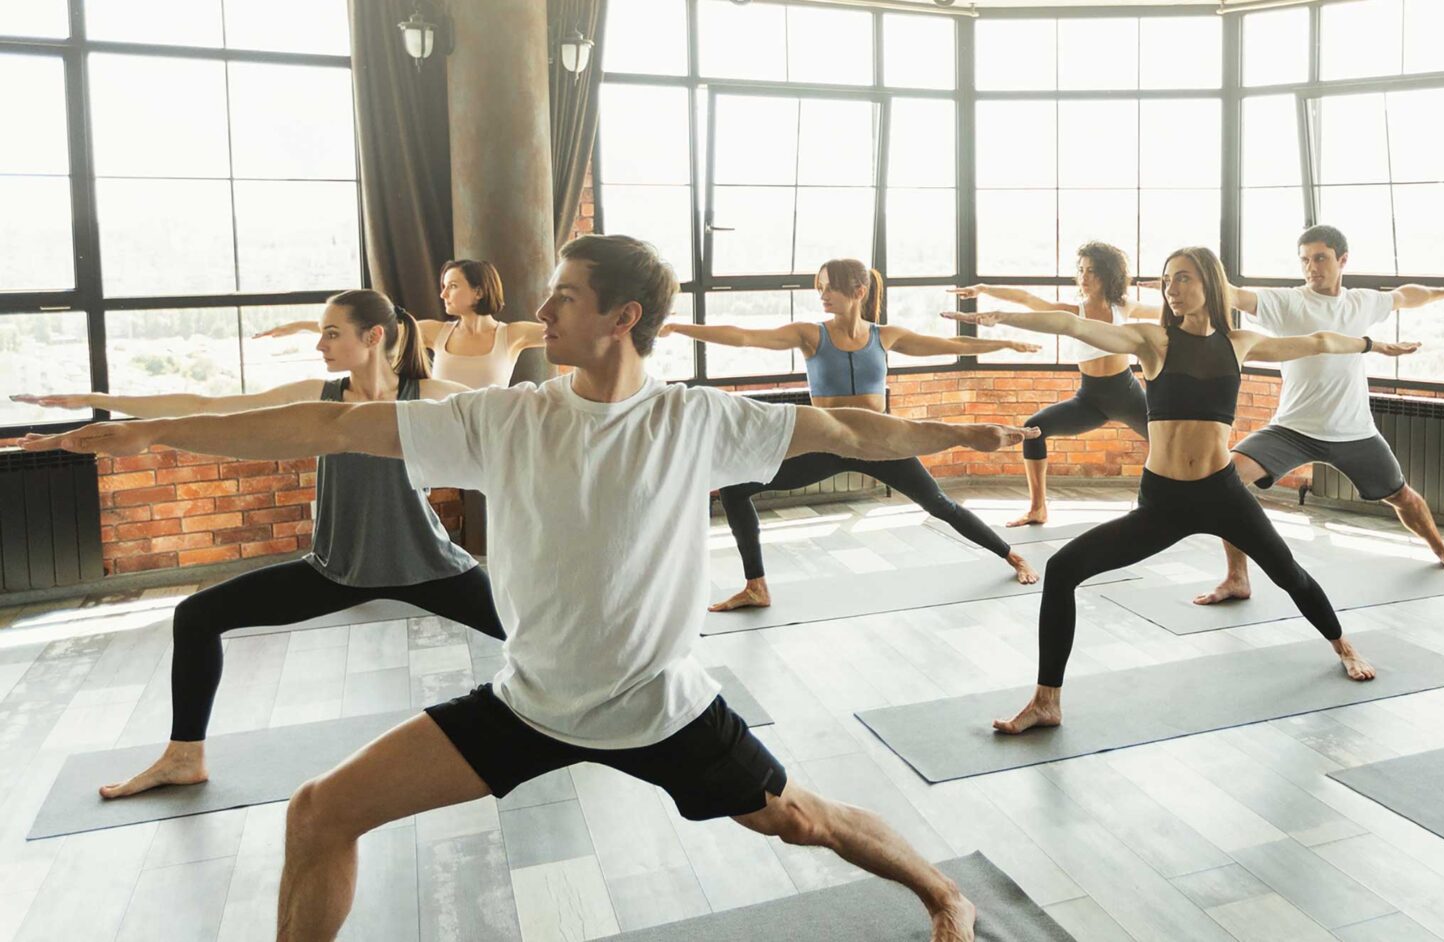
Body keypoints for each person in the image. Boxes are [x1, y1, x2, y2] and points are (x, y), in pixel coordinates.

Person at [26, 234, 1035, 941]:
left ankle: (944, 896)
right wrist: (149, 428)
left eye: (564, 295)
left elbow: (852, 430)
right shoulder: (504, 418)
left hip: (657, 712)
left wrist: (960, 432)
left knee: (802, 821)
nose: (543, 308)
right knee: (319, 814)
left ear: (621, 317)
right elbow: (323, 428)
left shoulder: (697, 420)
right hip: (530, 704)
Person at [12, 290, 499, 799]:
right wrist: (106, 407)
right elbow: (208, 407)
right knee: (197, 616)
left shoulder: (432, 394)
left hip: (431, 564)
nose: (319, 344)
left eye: (332, 332)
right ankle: (184, 756)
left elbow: (503, 430)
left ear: (373, 336)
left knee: (529, 634)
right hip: (336, 568)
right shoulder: (321, 396)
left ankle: (577, 719)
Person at [944, 246, 1379, 736]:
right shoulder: (1153, 342)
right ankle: (1046, 701)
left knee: (1290, 575)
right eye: (1168, 280)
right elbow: (1074, 327)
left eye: (1183, 279)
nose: (1172, 290)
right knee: (1064, 569)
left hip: (1222, 493)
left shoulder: (1239, 343)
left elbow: (1318, 341)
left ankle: (1343, 646)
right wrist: (1003, 317)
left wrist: (1368, 345)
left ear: (1209, 285)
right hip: (1164, 501)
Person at [658, 258, 1043, 611]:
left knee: (940, 505)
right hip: (825, 444)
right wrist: (678, 327)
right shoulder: (810, 334)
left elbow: (954, 344)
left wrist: (1005, 342)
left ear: (858, 292)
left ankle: (1011, 555)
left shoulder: (885, 336)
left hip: (882, 442)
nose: (823, 296)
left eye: (830, 288)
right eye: (820, 288)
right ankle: (756, 586)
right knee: (735, 488)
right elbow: (744, 336)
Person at [1178, 225, 1444, 603]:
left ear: (1342, 260)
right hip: (1291, 429)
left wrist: (1442, 293)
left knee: (1402, 496)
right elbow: (1234, 296)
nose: (1311, 267)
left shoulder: (1361, 302)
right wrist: (1201, 269)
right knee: (1225, 484)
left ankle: (1442, 550)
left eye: (1319, 258)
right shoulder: (1288, 302)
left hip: (1354, 431)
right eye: (1304, 260)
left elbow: (1403, 296)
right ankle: (1237, 578)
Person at [948, 242, 1159, 527]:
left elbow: (1165, 312)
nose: (1084, 278)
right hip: (1090, 400)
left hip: (1128, 394)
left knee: (1169, 440)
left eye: (1093, 271)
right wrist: (984, 289)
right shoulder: (1071, 312)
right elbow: (1026, 299)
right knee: (1034, 429)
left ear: (1109, 275)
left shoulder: (1124, 306)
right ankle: (1037, 509)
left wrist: (1166, 285)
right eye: (1081, 270)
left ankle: (1172, 504)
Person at [256, 259, 544, 389]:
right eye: (443, 286)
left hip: (491, 435)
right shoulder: (435, 332)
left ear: (479, 291)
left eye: (453, 286)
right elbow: (371, 329)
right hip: (442, 433)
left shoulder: (512, 334)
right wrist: (302, 326)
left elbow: (569, 334)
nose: (443, 294)